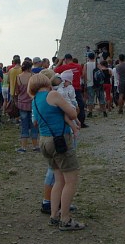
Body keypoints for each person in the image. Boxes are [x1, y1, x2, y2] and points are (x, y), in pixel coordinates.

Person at [28, 73, 85, 231]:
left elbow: (35, 121)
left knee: (58, 180)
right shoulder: (52, 95)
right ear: (46, 82)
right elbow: (73, 113)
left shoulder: (35, 100)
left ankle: (54, 215)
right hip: (59, 140)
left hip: (45, 140)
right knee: (70, 180)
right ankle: (65, 219)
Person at [54, 54, 86, 127]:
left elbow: (54, 71)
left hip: (67, 88)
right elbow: (81, 75)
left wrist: (59, 62)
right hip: (77, 88)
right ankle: (81, 121)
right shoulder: (78, 66)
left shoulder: (64, 67)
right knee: (80, 105)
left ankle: (71, 120)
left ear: (65, 59)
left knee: (68, 105)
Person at [15, 61, 38, 152]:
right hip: (32, 102)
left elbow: (17, 92)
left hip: (22, 103)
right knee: (34, 125)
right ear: (30, 67)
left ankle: (23, 147)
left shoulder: (18, 77)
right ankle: (35, 146)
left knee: (24, 125)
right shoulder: (33, 76)